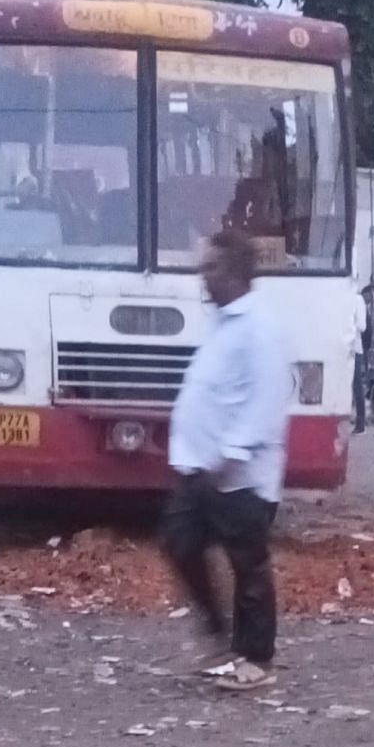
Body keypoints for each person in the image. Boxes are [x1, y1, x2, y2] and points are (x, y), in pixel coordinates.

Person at [162, 230, 293, 692]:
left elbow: (267, 402)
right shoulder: (221, 323)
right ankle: (218, 641)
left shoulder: (260, 328)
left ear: (236, 274)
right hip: (203, 469)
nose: (204, 277)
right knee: (178, 542)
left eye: (212, 268)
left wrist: (230, 455)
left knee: (248, 566)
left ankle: (256, 658)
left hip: (242, 476)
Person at [350, 285, 369, 435]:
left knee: (357, 385)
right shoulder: (339, 299)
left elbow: (362, 326)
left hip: (354, 349)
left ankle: (360, 422)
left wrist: (348, 326)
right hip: (339, 348)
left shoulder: (358, 300)